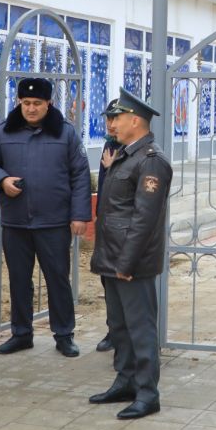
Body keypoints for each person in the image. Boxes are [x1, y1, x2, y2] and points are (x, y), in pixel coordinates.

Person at [0, 77, 91, 357]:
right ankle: (21, 333)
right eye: (26, 102)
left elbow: (80, 175)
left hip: (54, 222)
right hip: (16, 221)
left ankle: (64, 334)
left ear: (48, 103)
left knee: (57, 279)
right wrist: (2, 180)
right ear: (19, 101)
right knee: (18, 280)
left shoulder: (65, 133)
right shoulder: (4, 131)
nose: (31, 108)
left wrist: (79, 215)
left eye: (37, 103)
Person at [88, 87, 172, 420]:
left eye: (117, 118)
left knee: (140, 328)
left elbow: (144, 220)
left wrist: (126, 262)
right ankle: (125, 382)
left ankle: (148, 393)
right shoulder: (125, 155)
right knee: (119, 326)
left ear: (134, 120)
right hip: (112, 256)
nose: (112, 124)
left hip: (131, 261)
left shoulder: (151, 161)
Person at [95, 105, 125, 354]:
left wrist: (115, 167)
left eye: (116, 118)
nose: (111, 123)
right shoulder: (110, 145)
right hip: (106, 225)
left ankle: (127, 334)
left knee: (126, 284)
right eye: (108, 118)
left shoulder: (136, 150)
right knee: (109, 282)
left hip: (126, 229)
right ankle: (114, 331)